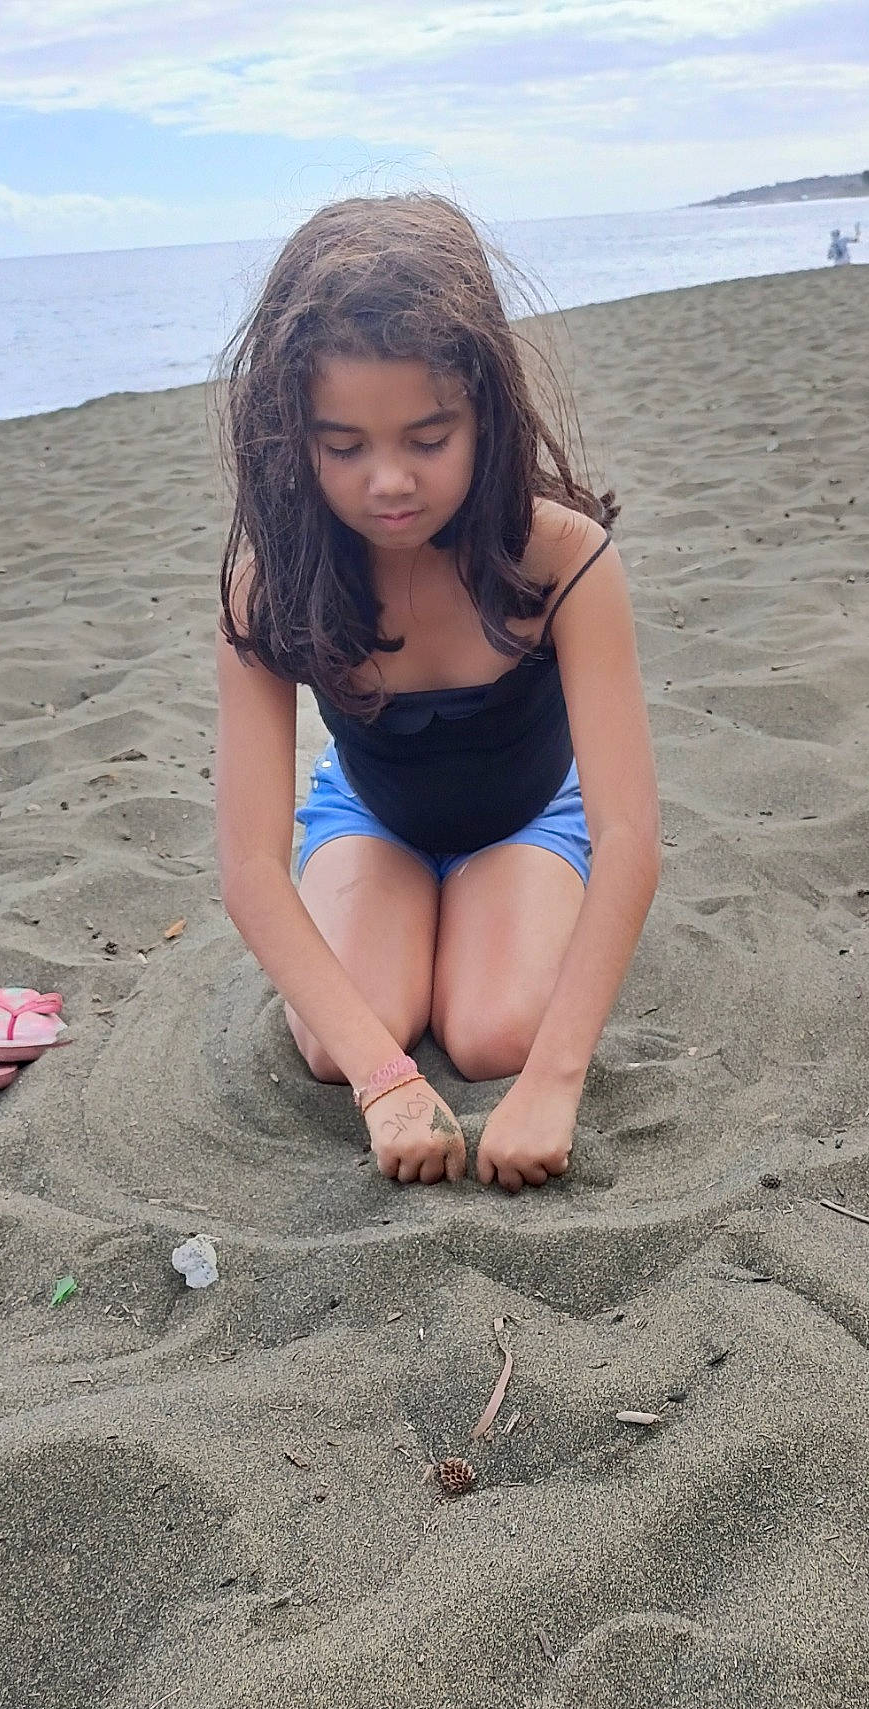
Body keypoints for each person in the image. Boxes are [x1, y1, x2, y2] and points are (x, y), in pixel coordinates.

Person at [214, 194, 660, 1192]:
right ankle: (423, 918)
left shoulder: (564, 559)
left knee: (495, 1031)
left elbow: (632, 839)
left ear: (484, 411)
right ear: (296, 435)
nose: (388, 481)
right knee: (344, 1036)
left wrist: (553, 1081)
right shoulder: (273, 582)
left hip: (530, 813)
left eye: (427, 437)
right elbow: (248, 866)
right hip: (373, 816)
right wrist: (383, 1080)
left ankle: (486, 913)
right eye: (345, 446)